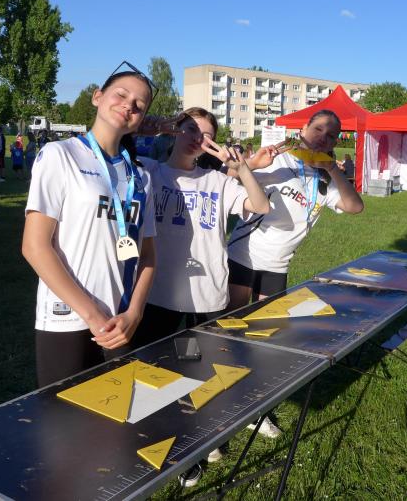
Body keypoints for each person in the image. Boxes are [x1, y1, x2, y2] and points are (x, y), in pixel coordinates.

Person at [21, 66, 157, 388]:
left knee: (117, 412)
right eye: (121, 94)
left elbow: (149, 256)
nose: (129, 105)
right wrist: (92, 315)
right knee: (62, 416)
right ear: (97, 97)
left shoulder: (141, 177)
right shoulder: (59, 155)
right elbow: (35, 247)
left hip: (120, 321)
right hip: (68, 318)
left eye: (139, 105)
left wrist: (135, 313)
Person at [137, 107, 270, 344]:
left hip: (206, 296)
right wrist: (138, 130)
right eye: (191, 129)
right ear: (175, 130)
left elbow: (261, 206)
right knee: (152, 361)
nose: (197, 138)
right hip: (155, 294)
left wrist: (242, 168)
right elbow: (105, 156)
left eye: (206, 136)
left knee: (207, 364)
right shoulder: (150, 171)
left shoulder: (217, 181)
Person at [227, 109, 364, 307]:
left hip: (278, 264)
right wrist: (253, 164)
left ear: (334, 143)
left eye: (330, 136)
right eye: (318, 129)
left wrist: (332, 168)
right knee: (229, 318)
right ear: (303, 129)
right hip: (245, 255)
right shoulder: (279, 158)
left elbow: (355, 207)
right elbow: (226, 179)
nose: (323, 138)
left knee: (266, 323)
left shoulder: (325, 176)